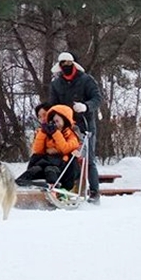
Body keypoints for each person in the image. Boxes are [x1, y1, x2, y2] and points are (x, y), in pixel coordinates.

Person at [49, 51, 103, 204]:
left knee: (88, 158)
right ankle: (64, 187)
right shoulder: (56, 84)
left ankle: (94, 191)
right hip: (66, 126)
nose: (66, 66)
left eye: (68, 63)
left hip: (85, 124)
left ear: (73, 64)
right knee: (64, 156)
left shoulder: (86, 80)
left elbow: (98, 98)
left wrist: (86, 106)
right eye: (63, 64)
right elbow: (53, 105)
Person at [16, 104, 81, 190]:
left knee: (50, 170)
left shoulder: (71, 134)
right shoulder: (48, 133)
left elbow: (66, 148)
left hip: (62, 165)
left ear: (65, 120)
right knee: (36, 169)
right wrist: (43, 132)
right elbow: (37, 150)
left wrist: (56, 134)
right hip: (46, 161)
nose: (55, 124)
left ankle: (54, 187)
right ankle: (20, 183)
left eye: (57, 121)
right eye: (53, 122)